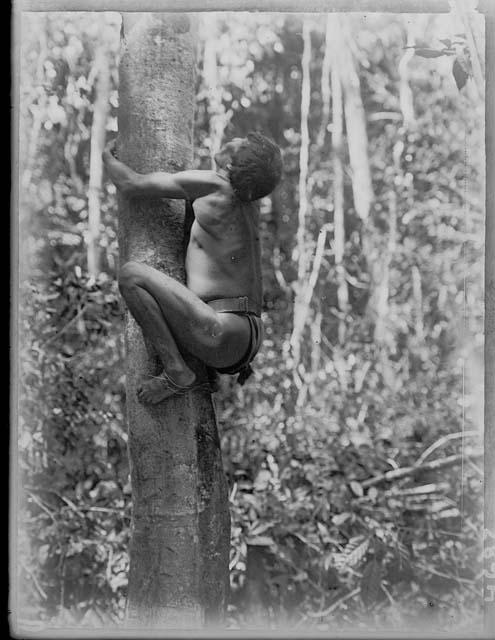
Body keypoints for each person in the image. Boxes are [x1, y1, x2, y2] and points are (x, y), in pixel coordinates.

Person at [102, 132, 283, 404]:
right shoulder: (249, 204)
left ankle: (177, 372)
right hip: (245, 334)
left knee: (131, 276)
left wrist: (106, 155)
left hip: (221, 331)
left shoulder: (213, 183)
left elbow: (130, 183)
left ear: (234, 165)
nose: (232, 139)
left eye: (241, 144)